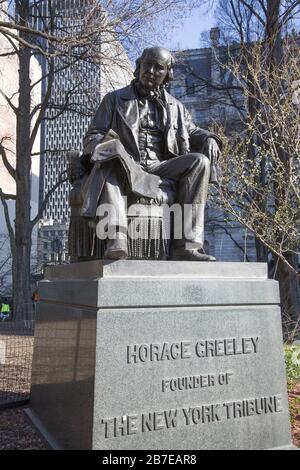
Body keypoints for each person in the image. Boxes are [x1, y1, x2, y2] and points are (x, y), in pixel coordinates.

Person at [81, 47, 222, 261]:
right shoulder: (114, 100)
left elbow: (193, 131)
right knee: (111, 157)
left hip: (160, 165)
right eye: (147, 64)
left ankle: (185, 246)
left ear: (167, 74)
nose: (151, 71)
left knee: (200, 162)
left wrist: (210, 138)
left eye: (159, 67)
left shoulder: (176, 107)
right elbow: (93, 135)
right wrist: (107, 146)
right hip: (126, 164)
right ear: (138, 67)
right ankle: (116, 238)